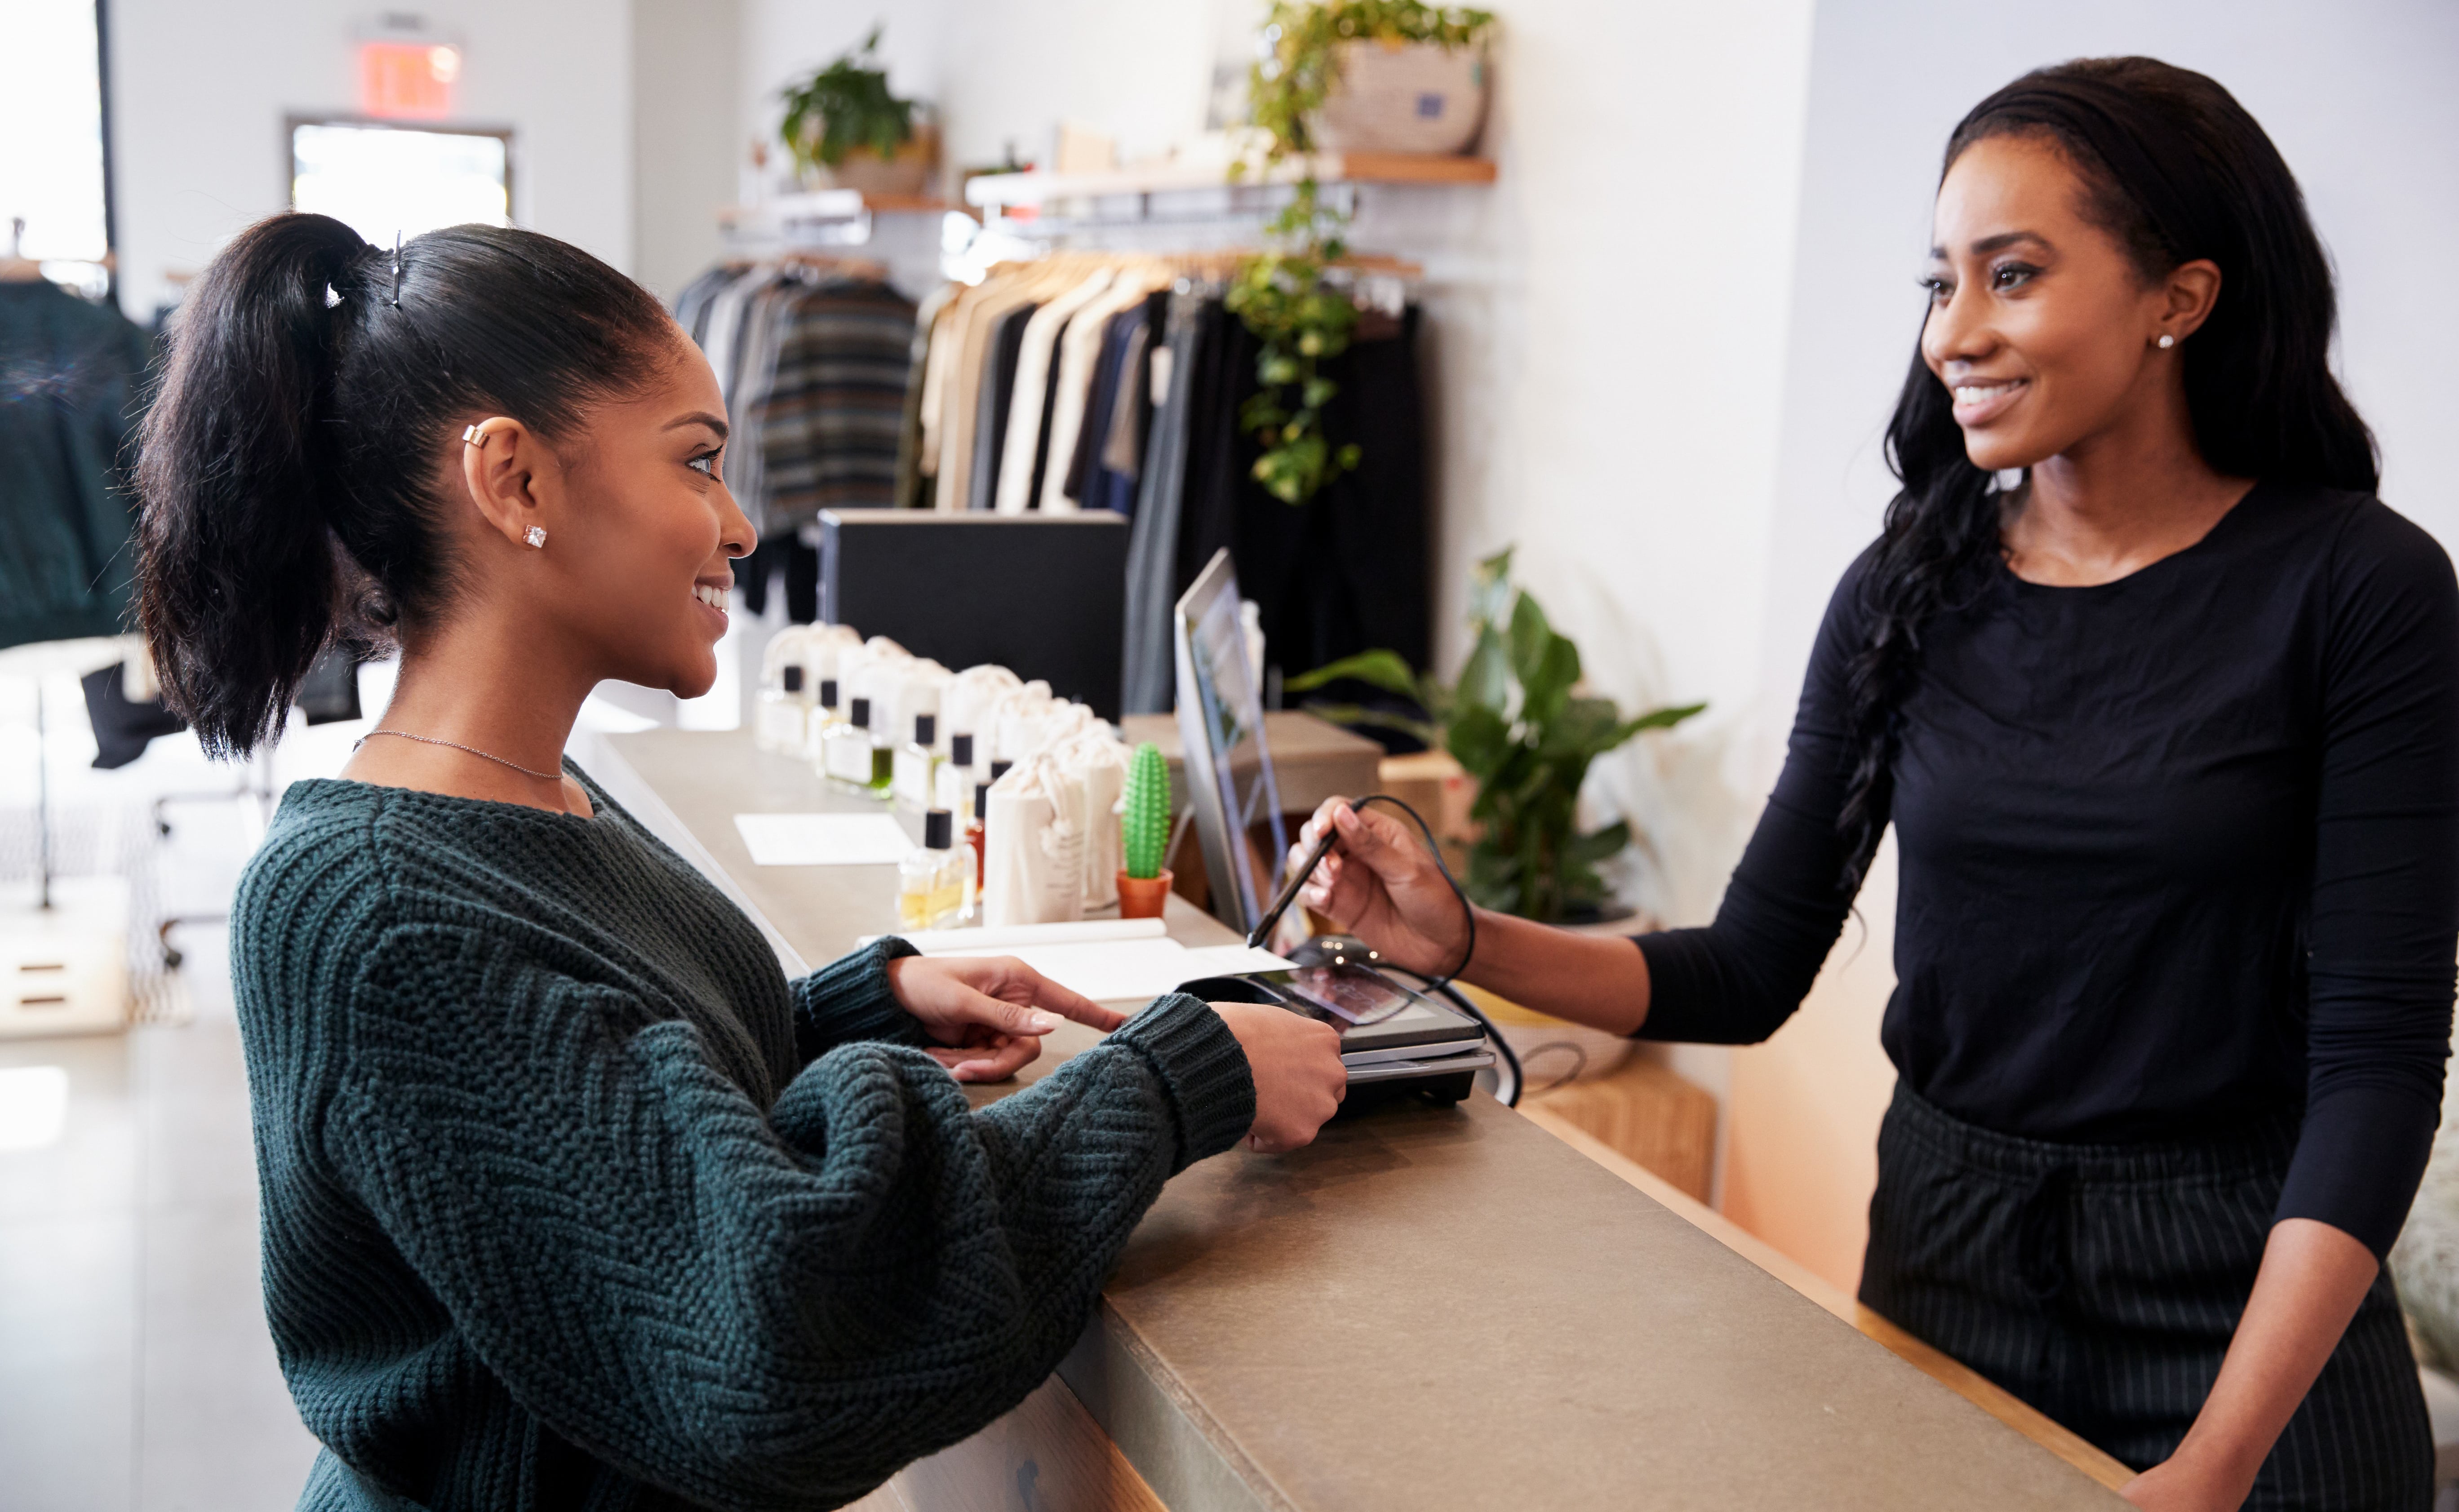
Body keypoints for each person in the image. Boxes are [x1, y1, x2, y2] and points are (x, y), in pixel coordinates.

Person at [1295, 57, 2455, 1512]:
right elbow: (1747, 968)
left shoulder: (2363, 590)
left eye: (2013, 276)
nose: (1952, 334)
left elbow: (2379, 1067)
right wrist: (1462, 943)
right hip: (1947, 1263)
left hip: (2249, 1317)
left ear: (2182, 297)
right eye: (1940, 283)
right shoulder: (1911, 587)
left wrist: (2217, 1465)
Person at [133, 213, 1348, 1511]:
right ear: (514, 481)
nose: (742, 524)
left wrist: (837, 1017)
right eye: (698, 463)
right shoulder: (383, 913)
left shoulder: (531, 796)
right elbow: (769, 1345)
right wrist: (1176, 1083)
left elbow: (600, 1102)